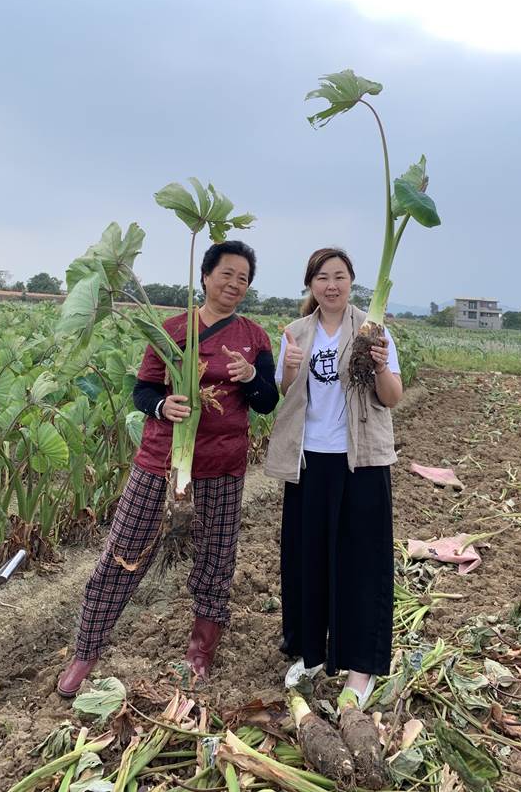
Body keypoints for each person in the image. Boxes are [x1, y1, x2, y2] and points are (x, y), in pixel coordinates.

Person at [58, 240, 279, 698]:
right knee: (123, 551)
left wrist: (251, 378)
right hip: (161, 462)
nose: (235, 284)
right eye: (227, 274)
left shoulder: (254, 338)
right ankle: (87, 649)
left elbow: (266, 403)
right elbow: (142, 391)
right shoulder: (172, 330)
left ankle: (201, 649)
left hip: (221, 465)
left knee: (216, 558)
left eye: (243, 279)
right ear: (205, 276)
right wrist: (163, 404)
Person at [264, 247, 402, 708]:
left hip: (361, 461)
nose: (331, 285)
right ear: (310, 284)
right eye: (322, 277)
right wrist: (286, 368)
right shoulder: (296, 332)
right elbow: (287, 393)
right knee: (307, 560)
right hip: (309, 463)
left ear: (352, 281)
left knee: (362, 562)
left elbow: (392, 397)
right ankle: (311, 654)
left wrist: (381, 363)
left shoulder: (373, 331)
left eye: (339, 276)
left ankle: (361, 668)